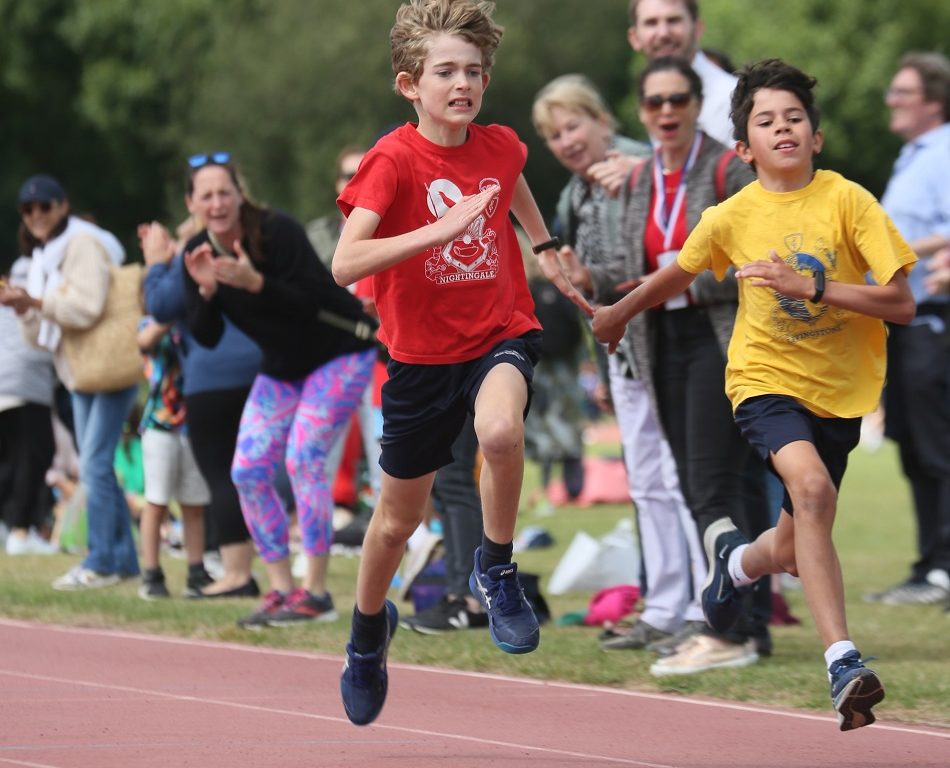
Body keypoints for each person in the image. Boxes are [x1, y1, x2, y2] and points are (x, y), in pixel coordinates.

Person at [592, 58, 916, 731]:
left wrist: (814, 287)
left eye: (794, 118)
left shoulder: (849, 201)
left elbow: (900, 303)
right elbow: (677, 271)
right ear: (744, 148)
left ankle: (736, 563)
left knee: (794, 546)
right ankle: (843, 662)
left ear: (816, 136)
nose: (783, 128)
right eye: (766, 121)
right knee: (814, 491)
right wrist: (620, 314)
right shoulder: (731, 214)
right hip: (762, 382)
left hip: (841, 392)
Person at [333, 0, 590, 726]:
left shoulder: (503, 144)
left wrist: (542, 245)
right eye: (446, 71)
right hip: (418, 358)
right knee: (394, 524)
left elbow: (512, 182)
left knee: (502, 435)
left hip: (499, 330)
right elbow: (344, 262)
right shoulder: (392, 160)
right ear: (409, 84)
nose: (463, 83)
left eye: (474, 71)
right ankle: (364, 634)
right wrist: (435, 229)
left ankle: (497, 570)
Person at [606, 57, 773, 675]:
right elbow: (630, 265)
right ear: (642, 111)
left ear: (699, 104)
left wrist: (676, 279)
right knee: (704, 482)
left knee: (712, 485)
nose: (667, 112)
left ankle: (731, 627)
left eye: (679, 100)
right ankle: (738, 622)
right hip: (660, 340)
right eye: (655, 103)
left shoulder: (726, 169)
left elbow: (753, 259)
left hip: (719, 337)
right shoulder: (638, 177)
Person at [531, 73, 706, 653]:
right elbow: (587, 280)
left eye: (574, 124)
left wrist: (644, 177)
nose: (567, 141)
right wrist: (582, 282)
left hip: (676, 341)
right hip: (622, 352)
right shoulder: (573, 194)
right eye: (554, 135)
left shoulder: (647, 162)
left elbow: (689, 243)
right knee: (649, 482)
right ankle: (664, 607)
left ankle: (710, 607)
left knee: (686, 480)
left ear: (604, 120)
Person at [181, 153, 377, 628]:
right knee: (247, 470)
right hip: (284, 368)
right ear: (192, 204)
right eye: (206, 195)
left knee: (304, 457)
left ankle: (317, 593)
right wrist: (206, 293)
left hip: (340, 351)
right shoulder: (197, 251)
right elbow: (203, 336)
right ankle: (281, 590)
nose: (217, 202)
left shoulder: (276, 231)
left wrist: (256, 283)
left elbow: (312, 300)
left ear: (239, 193)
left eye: (224, 192)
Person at [1, 174, 139, 589]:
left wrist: (36, 301)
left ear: (63, 206)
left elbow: (86, 306)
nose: (36, 215)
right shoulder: (44, 255)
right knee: (97, 466)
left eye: (44, 206)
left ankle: (100, 561)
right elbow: (40, 340)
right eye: (28, 210)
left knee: (94, 463)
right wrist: (25, 310)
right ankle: (123, 560)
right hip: (78, 371)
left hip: (107, 365)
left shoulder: (80, 244)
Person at [142, 219, 262, 599]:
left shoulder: (198, 253)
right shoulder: (255, 242)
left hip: (212, 377)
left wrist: (157, 263)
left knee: (222, 478)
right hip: (261, 369)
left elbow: (160, 305)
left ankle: (237, 574)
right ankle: (263, 574)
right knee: (250, 474)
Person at [868, 52, 950, 606]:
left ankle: (944, 568)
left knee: (937, 446)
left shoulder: (943, 153)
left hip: (935, 319)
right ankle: (929, 566)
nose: (891, 101)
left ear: (933, 101)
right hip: (905, 323)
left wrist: (882, 250)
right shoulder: (912, 157)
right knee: (915, 447)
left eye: (903, 92)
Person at [135, 316, 213, 599]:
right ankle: (152, 573)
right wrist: (170, 314)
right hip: (160, 424)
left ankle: (196, 571)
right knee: (156, 503)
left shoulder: (197, 319)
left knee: (194, 505)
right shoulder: (151, 323)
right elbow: (144, 341)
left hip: (194, 425)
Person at [0, 253, 57, 556]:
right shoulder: (33, 299)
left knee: (8, 462)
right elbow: (42, 345)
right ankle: (20, 531)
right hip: (27, 387)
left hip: (2, 389)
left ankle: (9, 527)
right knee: (33, 458)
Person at [627, 0, 738, 147]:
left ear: (697, 28)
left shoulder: (733, 98)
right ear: (634, 38)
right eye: (651, 23)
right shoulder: (650, 93)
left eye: (673, 21)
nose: (663, 33)